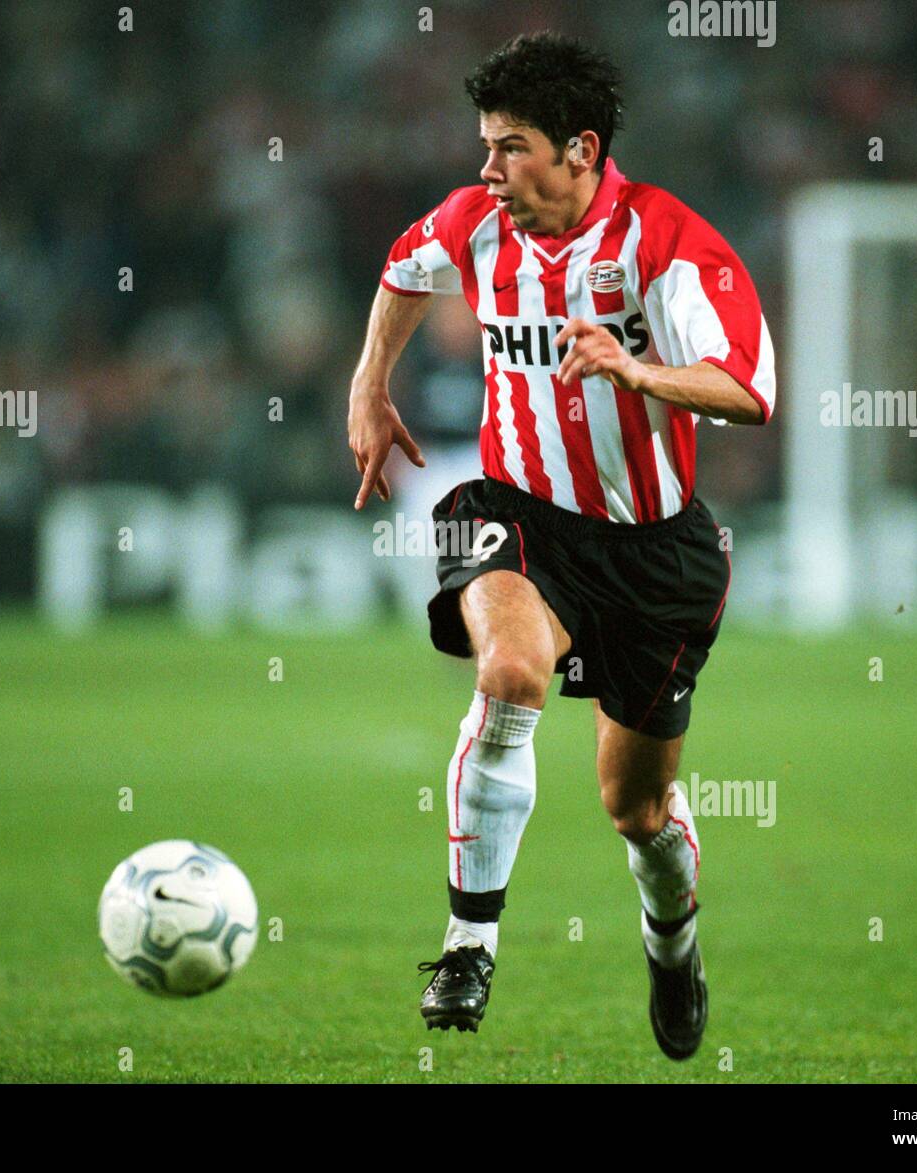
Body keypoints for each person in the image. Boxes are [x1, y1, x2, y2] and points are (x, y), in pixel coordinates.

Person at [346, 31, 775, 1060]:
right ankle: (467, 943)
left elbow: (749, 391)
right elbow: (405, 270)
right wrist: (369, 387)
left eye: (511, 148)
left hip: (652, 552)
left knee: (638, 812)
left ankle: (672, 950)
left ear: (581, 150)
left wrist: (638, 374)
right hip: (522, 515)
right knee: (509, 670)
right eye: (485, 146)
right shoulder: (475, 223)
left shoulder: (664, 241)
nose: (487, 170)